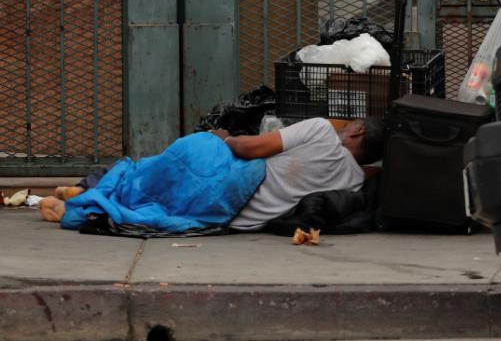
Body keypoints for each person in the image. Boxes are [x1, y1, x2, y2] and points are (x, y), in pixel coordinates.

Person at [39, 117, 384, 232]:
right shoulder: (354, 183)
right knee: (165, 197)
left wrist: (224, 137)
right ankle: (88, 198)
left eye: (350, 125)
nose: (344, 127)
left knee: (160, 164)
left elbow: (249, 150)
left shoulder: (322, 131)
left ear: (357, 135)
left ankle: (88, 191)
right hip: (232, 218)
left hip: (233, 182)